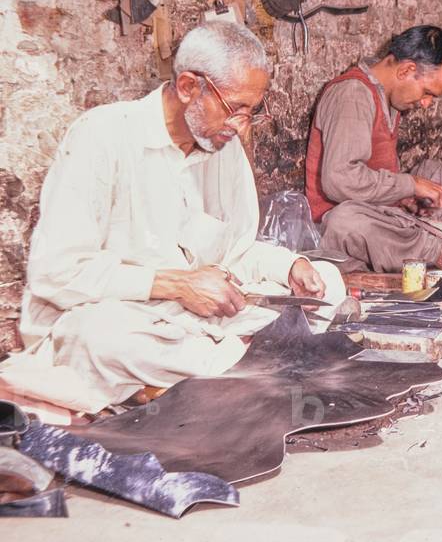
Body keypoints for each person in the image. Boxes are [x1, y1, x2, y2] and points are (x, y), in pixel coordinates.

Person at [0, 22, 344, 414]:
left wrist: (290, 266)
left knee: (328, 283)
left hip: (200, 321)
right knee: (100, 337)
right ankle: (247, 363)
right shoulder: (102, 136)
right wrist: (176, 285)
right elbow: (56, 272)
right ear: (187, 87)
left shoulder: (223, 147)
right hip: (127, 317)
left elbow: (235, 251)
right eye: (234, 109)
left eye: (253, 112)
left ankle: (211, 372)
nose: (242, 127)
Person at [305, 25, 442, 272]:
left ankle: (422, 239)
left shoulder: (389, 98)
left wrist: (403, 197)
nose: (426, 104)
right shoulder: (352, 94)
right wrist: (409, 185)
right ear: (406, 70)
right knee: (345, 221)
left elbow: (379, 175)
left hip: (381, 215)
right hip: (338, 228)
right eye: (427, 93)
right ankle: (431, 249)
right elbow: (340, 180)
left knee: (434, 173)